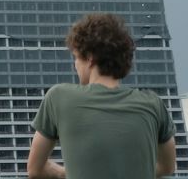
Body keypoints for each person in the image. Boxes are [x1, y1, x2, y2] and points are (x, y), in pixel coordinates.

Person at [27, 13, 177, 179]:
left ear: (90, 58)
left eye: (76, 58)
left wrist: (69, 173)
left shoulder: (59, 97)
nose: (75, 65)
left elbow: (35, 169)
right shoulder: (153, 104)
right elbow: (167, 167)